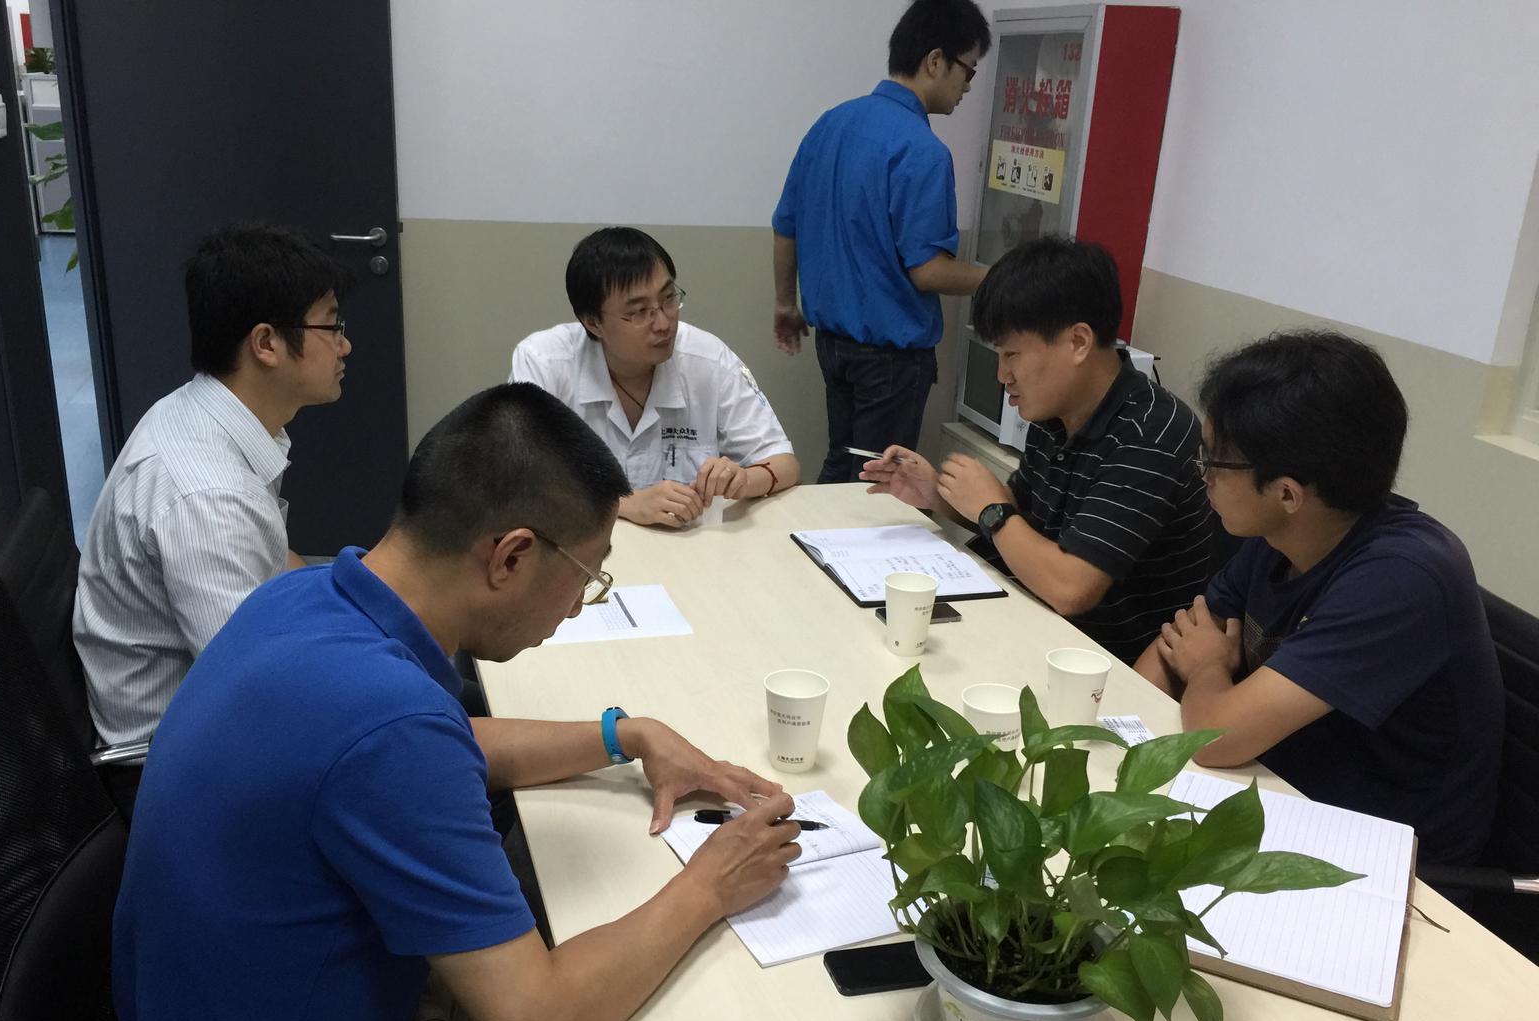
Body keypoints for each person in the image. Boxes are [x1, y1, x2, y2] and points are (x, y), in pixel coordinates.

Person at [112, 381, 802, 1021]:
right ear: (510, 557)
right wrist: (712, 881)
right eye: (587, 576)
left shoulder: (310, 597)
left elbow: (446, 742)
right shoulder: (386, 727)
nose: (577, 607)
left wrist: (627, 735)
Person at [1134, 331, 1502, 866]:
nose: (1203, 475)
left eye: (1215, 461)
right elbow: (1170, 653)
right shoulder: (1282, 535)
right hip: (1272, 791)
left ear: (1287, 493)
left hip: (1375, 862)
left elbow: (1213, 738)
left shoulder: (1402, 578)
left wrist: (1209, 667)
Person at [863, 237, 1214, 664]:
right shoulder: (1058, 412)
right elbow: (1021, 522)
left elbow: (1070, 587)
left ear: (1078, 342)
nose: (1002, 374)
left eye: (1012, 353)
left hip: (1099, 664)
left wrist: (992, 510)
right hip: (1031, 623)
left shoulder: (1152, 433)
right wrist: (937, 493)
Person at [73, 222, 351, 752]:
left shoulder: (208, 411)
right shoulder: (209, 496)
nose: (345, 345)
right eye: (331, 326)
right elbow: (260, 695)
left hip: (225, 704)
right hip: (176, 760)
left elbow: (269, 560)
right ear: (266, 343)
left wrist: (359, 603)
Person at [771, 0, 991, 483]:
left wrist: (786, 304)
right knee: (877, 482)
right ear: (936, 61)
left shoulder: (829, 125)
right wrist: (999, 277)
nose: (968, 86)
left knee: (842, 464)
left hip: (833, 346)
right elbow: (928, 271)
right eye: (968, 70)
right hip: (891, 358)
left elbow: (785, 225)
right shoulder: (922, 150)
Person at [511, 226, 800, 528]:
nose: (663, 323)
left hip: (689, 547)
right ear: (593, 322)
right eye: (638, 312)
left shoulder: (708, 358)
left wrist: (743, 480)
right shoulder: (544, 363)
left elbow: (784, 462)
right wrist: (623, 503)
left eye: (668, 298)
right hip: (581, 546)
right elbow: (518, 482)